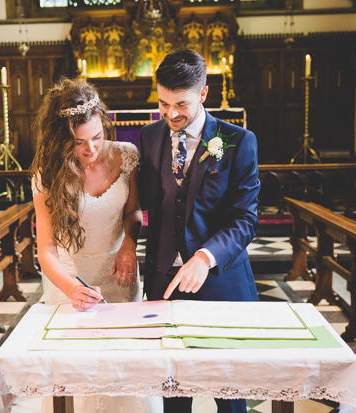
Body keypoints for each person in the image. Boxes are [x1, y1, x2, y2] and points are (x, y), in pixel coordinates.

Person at [138, 48, 260, 413]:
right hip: (165, 283)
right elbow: (146, 202)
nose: (171, 114)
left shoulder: (238, 140)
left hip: (222, 284)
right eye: (163, 103)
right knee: (174, 392)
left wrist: (205, 257)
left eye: (181, 105)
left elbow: (245, 218)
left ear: (203, 93)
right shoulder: (149, 137)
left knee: (229, 394)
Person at [30, 77, 159, 413]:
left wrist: (130, 242)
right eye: (79, 142)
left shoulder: (126, 157)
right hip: (70, 280)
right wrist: (71, 289)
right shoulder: (47, 174)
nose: (91, 149)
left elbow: (133, 211)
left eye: (97, 137)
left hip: (120, 273)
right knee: (78, 374)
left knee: (124, 370)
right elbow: (46, 250)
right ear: (61, 140)